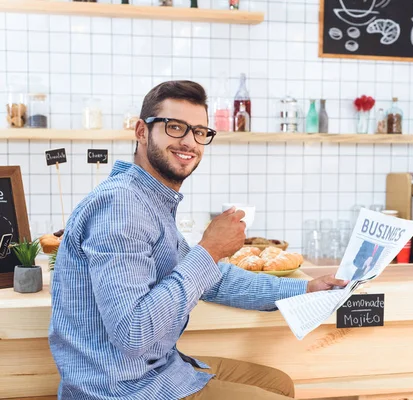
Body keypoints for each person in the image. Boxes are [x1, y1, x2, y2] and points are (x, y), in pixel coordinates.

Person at [48, 80, 348, 400]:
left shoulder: (148, 199)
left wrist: (304, 288)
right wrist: (210, 248)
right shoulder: (122, 205)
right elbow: (133, 333)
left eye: (200, 132)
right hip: (124, 390)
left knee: (280, 384)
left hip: (159, 372)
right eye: (175, 127)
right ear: (141, 131)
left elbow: (212, 281)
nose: (189, 142)